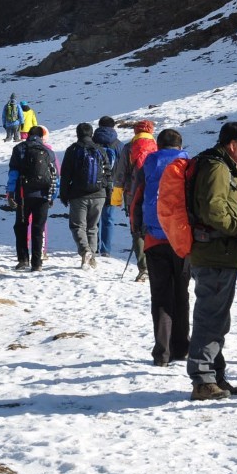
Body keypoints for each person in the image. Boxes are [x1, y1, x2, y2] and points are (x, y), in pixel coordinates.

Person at [187, 122, 237, 401]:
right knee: (210, 317)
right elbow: (214, 209)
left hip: (220, 253)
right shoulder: (217, 168)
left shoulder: (223, 166)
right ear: (232, 145)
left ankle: (215, 375)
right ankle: (203, 379)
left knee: (217, 317)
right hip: (215, 253)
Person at [140, 128, 190, 367]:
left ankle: (162, 353)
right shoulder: (189, 164)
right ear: (180, 146)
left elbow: (138, 196)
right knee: (182, 292)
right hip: (182, 238)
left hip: (154, 238)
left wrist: (138, 228)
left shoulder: (149, 163)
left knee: (160, 295)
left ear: (158, 145)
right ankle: (182, 347)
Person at [6, 126, 59, 271]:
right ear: (42, 137)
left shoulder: (19, 149)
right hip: (43, 196)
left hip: (23, 195)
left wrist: (10, 193)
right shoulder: (48, 151)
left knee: (21, 226)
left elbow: (13, 173)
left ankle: (23, 260)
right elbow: (55, 176)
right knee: (38, 228)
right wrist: (52, 196)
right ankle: (37, 263)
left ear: (28, 135)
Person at [60, 122, 109, 269]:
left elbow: (65, 175)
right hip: (99, 194)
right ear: (91, 134)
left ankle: (85, 251)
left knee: (77, 226)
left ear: (77, 134)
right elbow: (108, 172)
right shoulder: (100, 149)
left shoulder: (72, 150)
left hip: (78, 194)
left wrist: (64, 194)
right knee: (92, 227)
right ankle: (91, 258)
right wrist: (108, 192)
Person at [121, 120, 157, 283]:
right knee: (152, 229)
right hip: (154, 195)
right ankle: (155, 265)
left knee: (136, 230)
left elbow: (120, 173)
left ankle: (143, 269)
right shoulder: (157, 147)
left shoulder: (129, 148)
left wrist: (117, 193)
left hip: (132, 194)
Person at [93, 116, 124, 257]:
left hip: (95, 186)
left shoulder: (92, 143)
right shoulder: (119, 145)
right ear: (113, 127)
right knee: (109, 219)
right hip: (116, 187)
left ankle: (93, 246)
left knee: (94, 218)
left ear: (99, 126)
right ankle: (106, 250)